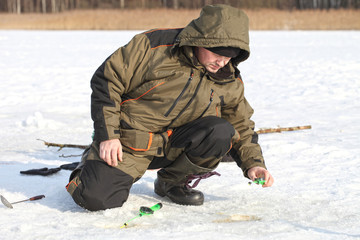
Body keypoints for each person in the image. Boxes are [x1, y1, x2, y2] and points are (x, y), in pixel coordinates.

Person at [66, 4, 274, 211]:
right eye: (217, 53)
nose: (222, 61)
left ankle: (172, 182)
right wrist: (108, 135)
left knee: (221, 131)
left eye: (230, 55)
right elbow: (107, 81)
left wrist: (253, 164)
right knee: (95, 199)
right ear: (200, 41)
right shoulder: (153, 47)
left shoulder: (228, 76)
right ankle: (88, 164)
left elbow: (241, 123)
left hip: (176, 143)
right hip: (130, 142)